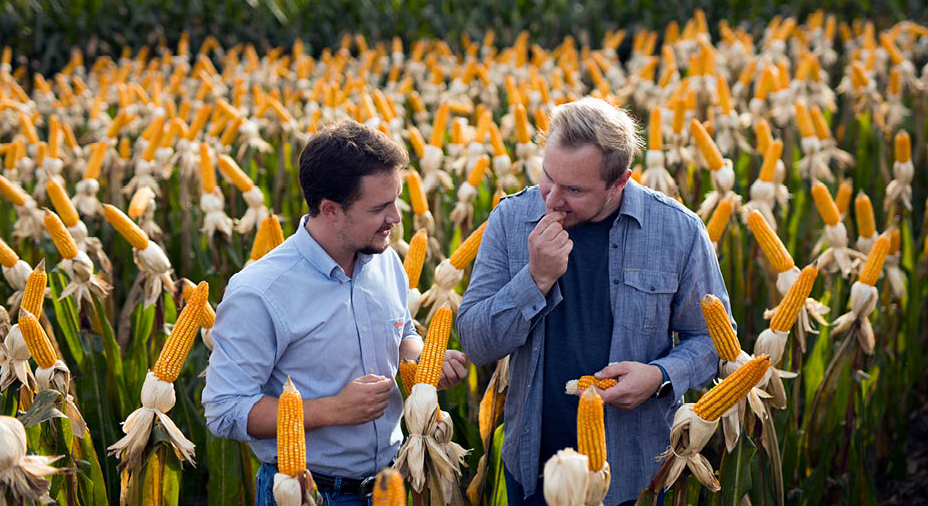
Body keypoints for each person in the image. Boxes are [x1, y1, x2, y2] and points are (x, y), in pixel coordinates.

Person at [456, 98, 733, 506]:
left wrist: (659, 377)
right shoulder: (510, 219)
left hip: (634, 474)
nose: (551, 200)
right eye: (548, 177)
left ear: (619, 182)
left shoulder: (679, 231)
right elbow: (477, 342)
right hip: (534, 470)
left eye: (574, 190)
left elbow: (713, 339)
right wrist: (536, 278)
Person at [203, 120, 468, 506]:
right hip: (308, 493)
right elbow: (225, 410)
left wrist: (422, 359)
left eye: (394, 200)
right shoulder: (259, 293)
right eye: (380, 207)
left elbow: (403, 330)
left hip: (393, 485)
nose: (396, 218)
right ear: (330, 210)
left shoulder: (387, 260)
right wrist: (333, 410)